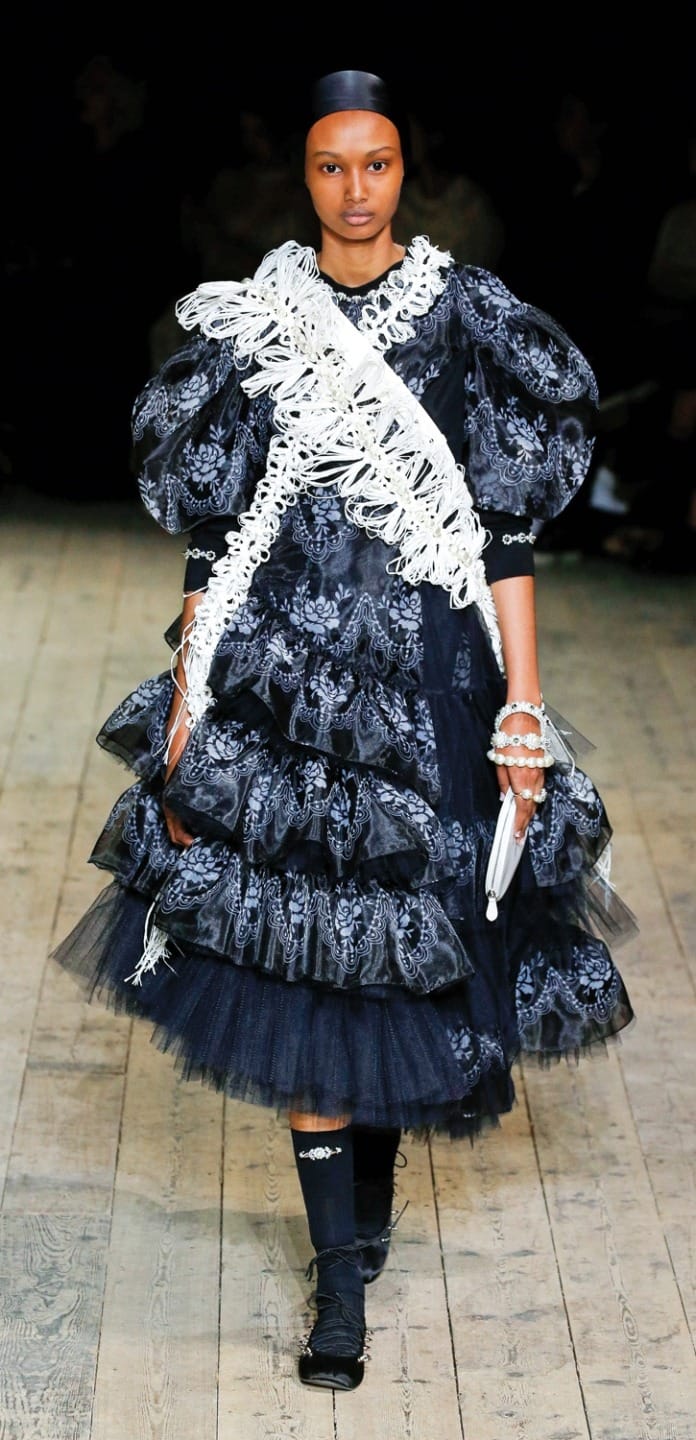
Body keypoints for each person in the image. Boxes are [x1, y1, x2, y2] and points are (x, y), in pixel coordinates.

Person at [53, 69, 636, 1393]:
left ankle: (362, 1207)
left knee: (400, 956)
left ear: (404, 171)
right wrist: (189, 707)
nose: (355, 188)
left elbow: (504, 537)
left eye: (376, 164)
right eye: (331, 165)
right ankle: (338, 1281)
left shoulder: (468, 319)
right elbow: (213, 537)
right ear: (304, 176)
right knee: (303, 963)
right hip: (283, 687)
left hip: (432, 683)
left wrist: (523, 708)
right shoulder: (258, 323)